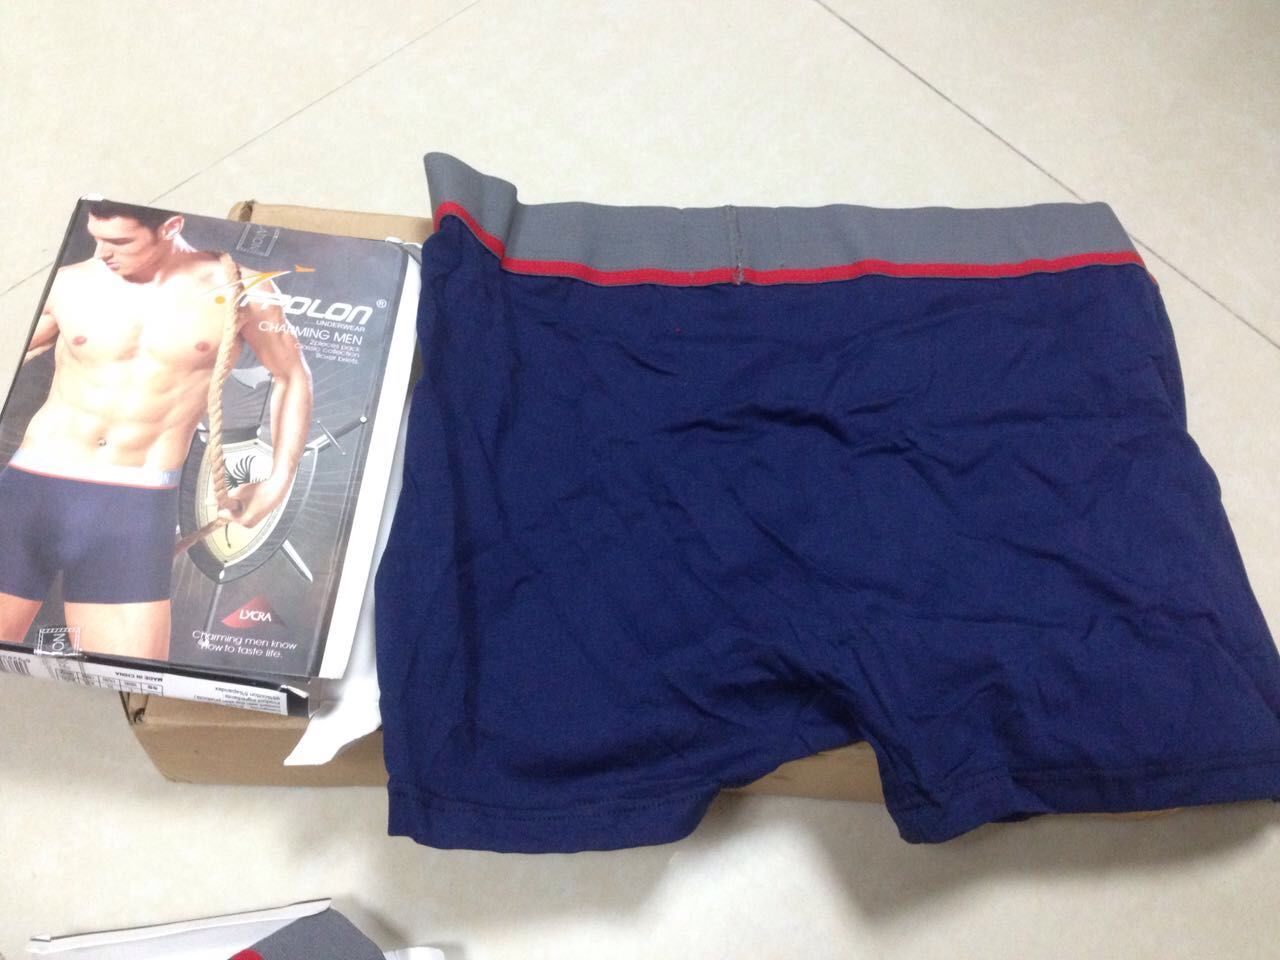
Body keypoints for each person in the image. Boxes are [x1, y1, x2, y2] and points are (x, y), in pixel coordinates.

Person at [0, 200, 313, 660]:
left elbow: (291, 375)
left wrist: (278, 479)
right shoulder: (72, 283)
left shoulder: (243, 290)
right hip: (33, 488)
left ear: (171, 227)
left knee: (131, 677)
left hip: (135, 504)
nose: (103, 253)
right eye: (97, 238)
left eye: (120, 241)